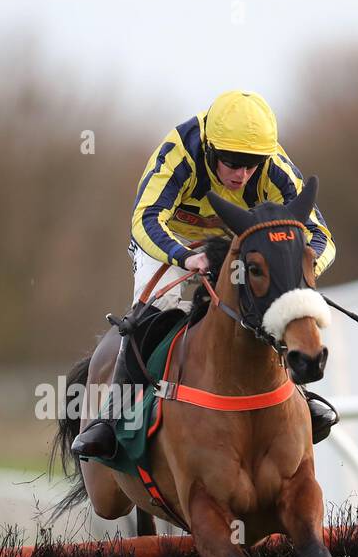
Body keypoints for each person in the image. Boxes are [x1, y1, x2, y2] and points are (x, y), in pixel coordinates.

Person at [71, 90, 339, 459]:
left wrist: (298, 272)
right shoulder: (178, 152)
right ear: (211, 148)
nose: (242, 173)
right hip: (171, 240)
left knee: (269, 307)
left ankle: (301, 398)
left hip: (236, 240)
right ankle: (113, 419)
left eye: (252, 163)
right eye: (232, 162)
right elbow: (144, 220)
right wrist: (184, 258)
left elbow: (321, 237)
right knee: (151, 311)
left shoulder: (274, 166)